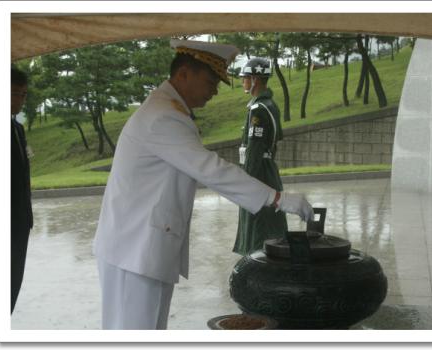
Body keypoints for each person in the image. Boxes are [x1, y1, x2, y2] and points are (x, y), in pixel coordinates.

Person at [92, 39, 314, 330]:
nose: (215, 90)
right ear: (184, 74)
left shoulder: (169, 109)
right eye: (210, 81)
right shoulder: (163, 116)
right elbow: (210, 169)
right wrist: (277, 199)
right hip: (134, 250)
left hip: (139, 246)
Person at [233, 58, 287, 255]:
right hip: (266, 168)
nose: (242, 82)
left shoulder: (259, 109)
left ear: (254, 79)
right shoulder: (267, 105)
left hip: (258, 172)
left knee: (258, 223)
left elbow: (255, 148)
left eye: (245, 78)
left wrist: (247, 180)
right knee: (266, 219)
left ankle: (258, 261)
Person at [11, 67, 33, 313]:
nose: (20, 99)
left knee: (12, 286)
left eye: (24, 94)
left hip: (20, 223)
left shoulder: (17, 129)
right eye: (15, 93)